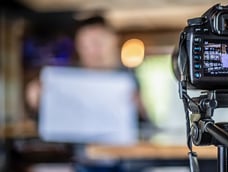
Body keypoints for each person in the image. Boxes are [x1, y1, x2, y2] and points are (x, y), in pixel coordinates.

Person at [25, 15, 150, 172]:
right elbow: (48, 130)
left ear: (113, 40)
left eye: (98, 43)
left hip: (127, 163)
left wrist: (140, 108)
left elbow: (151, 129)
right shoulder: (66, 82)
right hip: (82, 164)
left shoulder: (130, 78)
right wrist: (36, 103)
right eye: (85, 45)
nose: (92, 51)